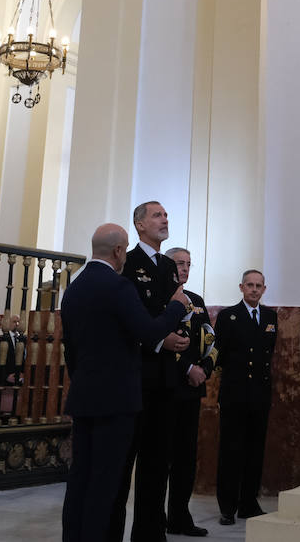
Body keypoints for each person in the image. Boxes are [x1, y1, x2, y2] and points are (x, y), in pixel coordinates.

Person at [61, 223, 190, 542]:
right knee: (105, 484)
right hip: (116, 403)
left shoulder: (73, 288)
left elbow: (71, 351)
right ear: (119, 251)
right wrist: (176, 306)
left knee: (80, 480)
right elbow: (148, 331)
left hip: (84, 398)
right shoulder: (117, 287)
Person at [111, 201, 187, 542]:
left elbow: (176, 307)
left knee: (158, 464)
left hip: (165, 381)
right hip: (136, 376)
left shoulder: (169, 265)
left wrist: (179, 337)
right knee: (124, 463)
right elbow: (129, 320)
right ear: (139, 224)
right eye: (157, 215)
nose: (164, 219)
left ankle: (150, 534)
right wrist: (160, 341)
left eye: (166, 215)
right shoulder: (128, 263)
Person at [213, 269, 277, 527]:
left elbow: (268, 353)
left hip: (260, 396)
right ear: (241, 287)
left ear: (264, 289)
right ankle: (227, 507)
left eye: (258, 285)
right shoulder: (229, 316)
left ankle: (249, 503)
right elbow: (221, 354)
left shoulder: (271, 317)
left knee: (255, 451)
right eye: (249, 285)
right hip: (234, 394)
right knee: (230, 452)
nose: (253, 289)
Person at [164, 247, 217, 537]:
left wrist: (205, 369)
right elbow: (158, 340)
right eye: (178, 264)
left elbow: (210, 338)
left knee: (186, 457)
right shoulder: (162, 298)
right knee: (163, 458)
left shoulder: (196, 301)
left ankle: (180, 517)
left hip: (192, 390)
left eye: (188, 264)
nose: (184, 268)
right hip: (167, 389)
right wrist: (187, 368)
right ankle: (156, 517)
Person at [0, 312, 26, 386]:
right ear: (8, 323)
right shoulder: (1, 339)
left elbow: (24, 358)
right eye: (14, 322)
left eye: (18, 322)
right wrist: (6, 376)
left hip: (19, 378)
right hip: (4, 379)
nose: (17, 324)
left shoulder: (23, 339)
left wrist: (23, 373)